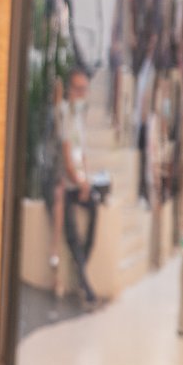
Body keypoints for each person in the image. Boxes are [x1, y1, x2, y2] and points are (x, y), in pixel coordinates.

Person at [58, 66, 99, 305]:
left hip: (78, 183)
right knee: (72, 235)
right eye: (78, 89)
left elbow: (80, 153)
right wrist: (78, 181)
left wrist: (86, 181)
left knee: (94, 212)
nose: (81, 94)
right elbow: (66, 155)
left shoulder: (79, 117)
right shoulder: (65, 114)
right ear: (69, 90)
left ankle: (81, 271)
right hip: (64, 184)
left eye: (85, 89)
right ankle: (86, 286)